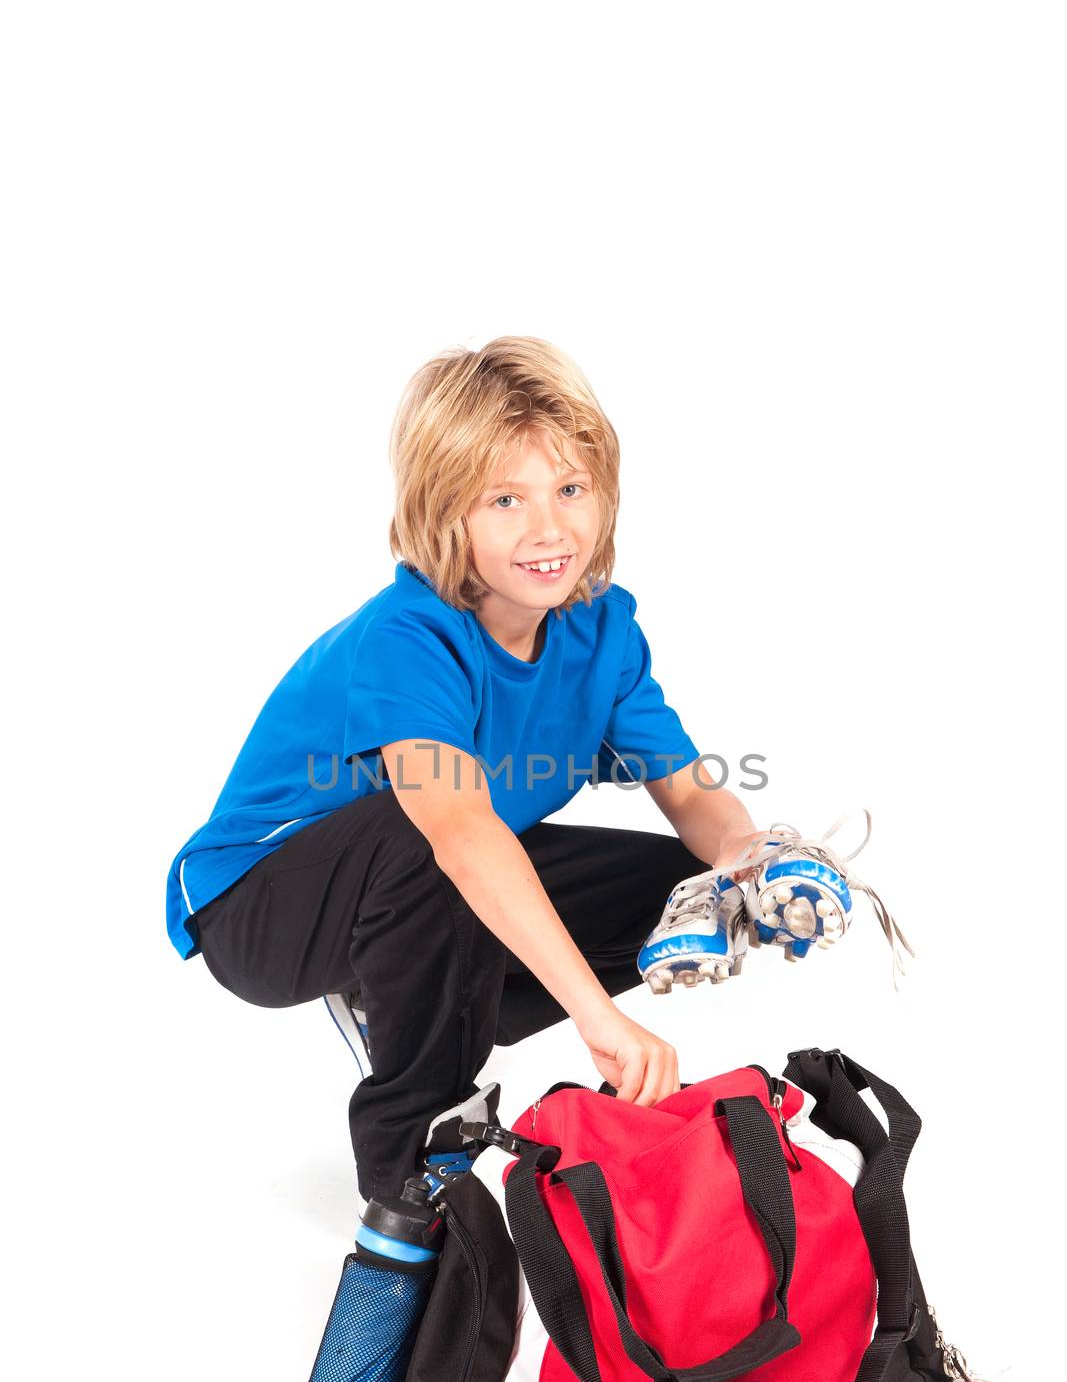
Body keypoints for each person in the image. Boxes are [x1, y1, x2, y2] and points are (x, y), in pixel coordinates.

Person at [165, 336, 773, 1204]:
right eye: (505, 500)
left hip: (425, 883)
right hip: (261, 904)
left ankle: (409, 998)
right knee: (435, 829)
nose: (548, 529)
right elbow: (459, 833)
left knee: (686, 887)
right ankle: (414, 1167)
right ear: (446, 512)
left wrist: (753, 863)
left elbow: (685, 787)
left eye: (569, 489)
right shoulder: (407, 637)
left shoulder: (602, 631)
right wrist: (598, 1020)